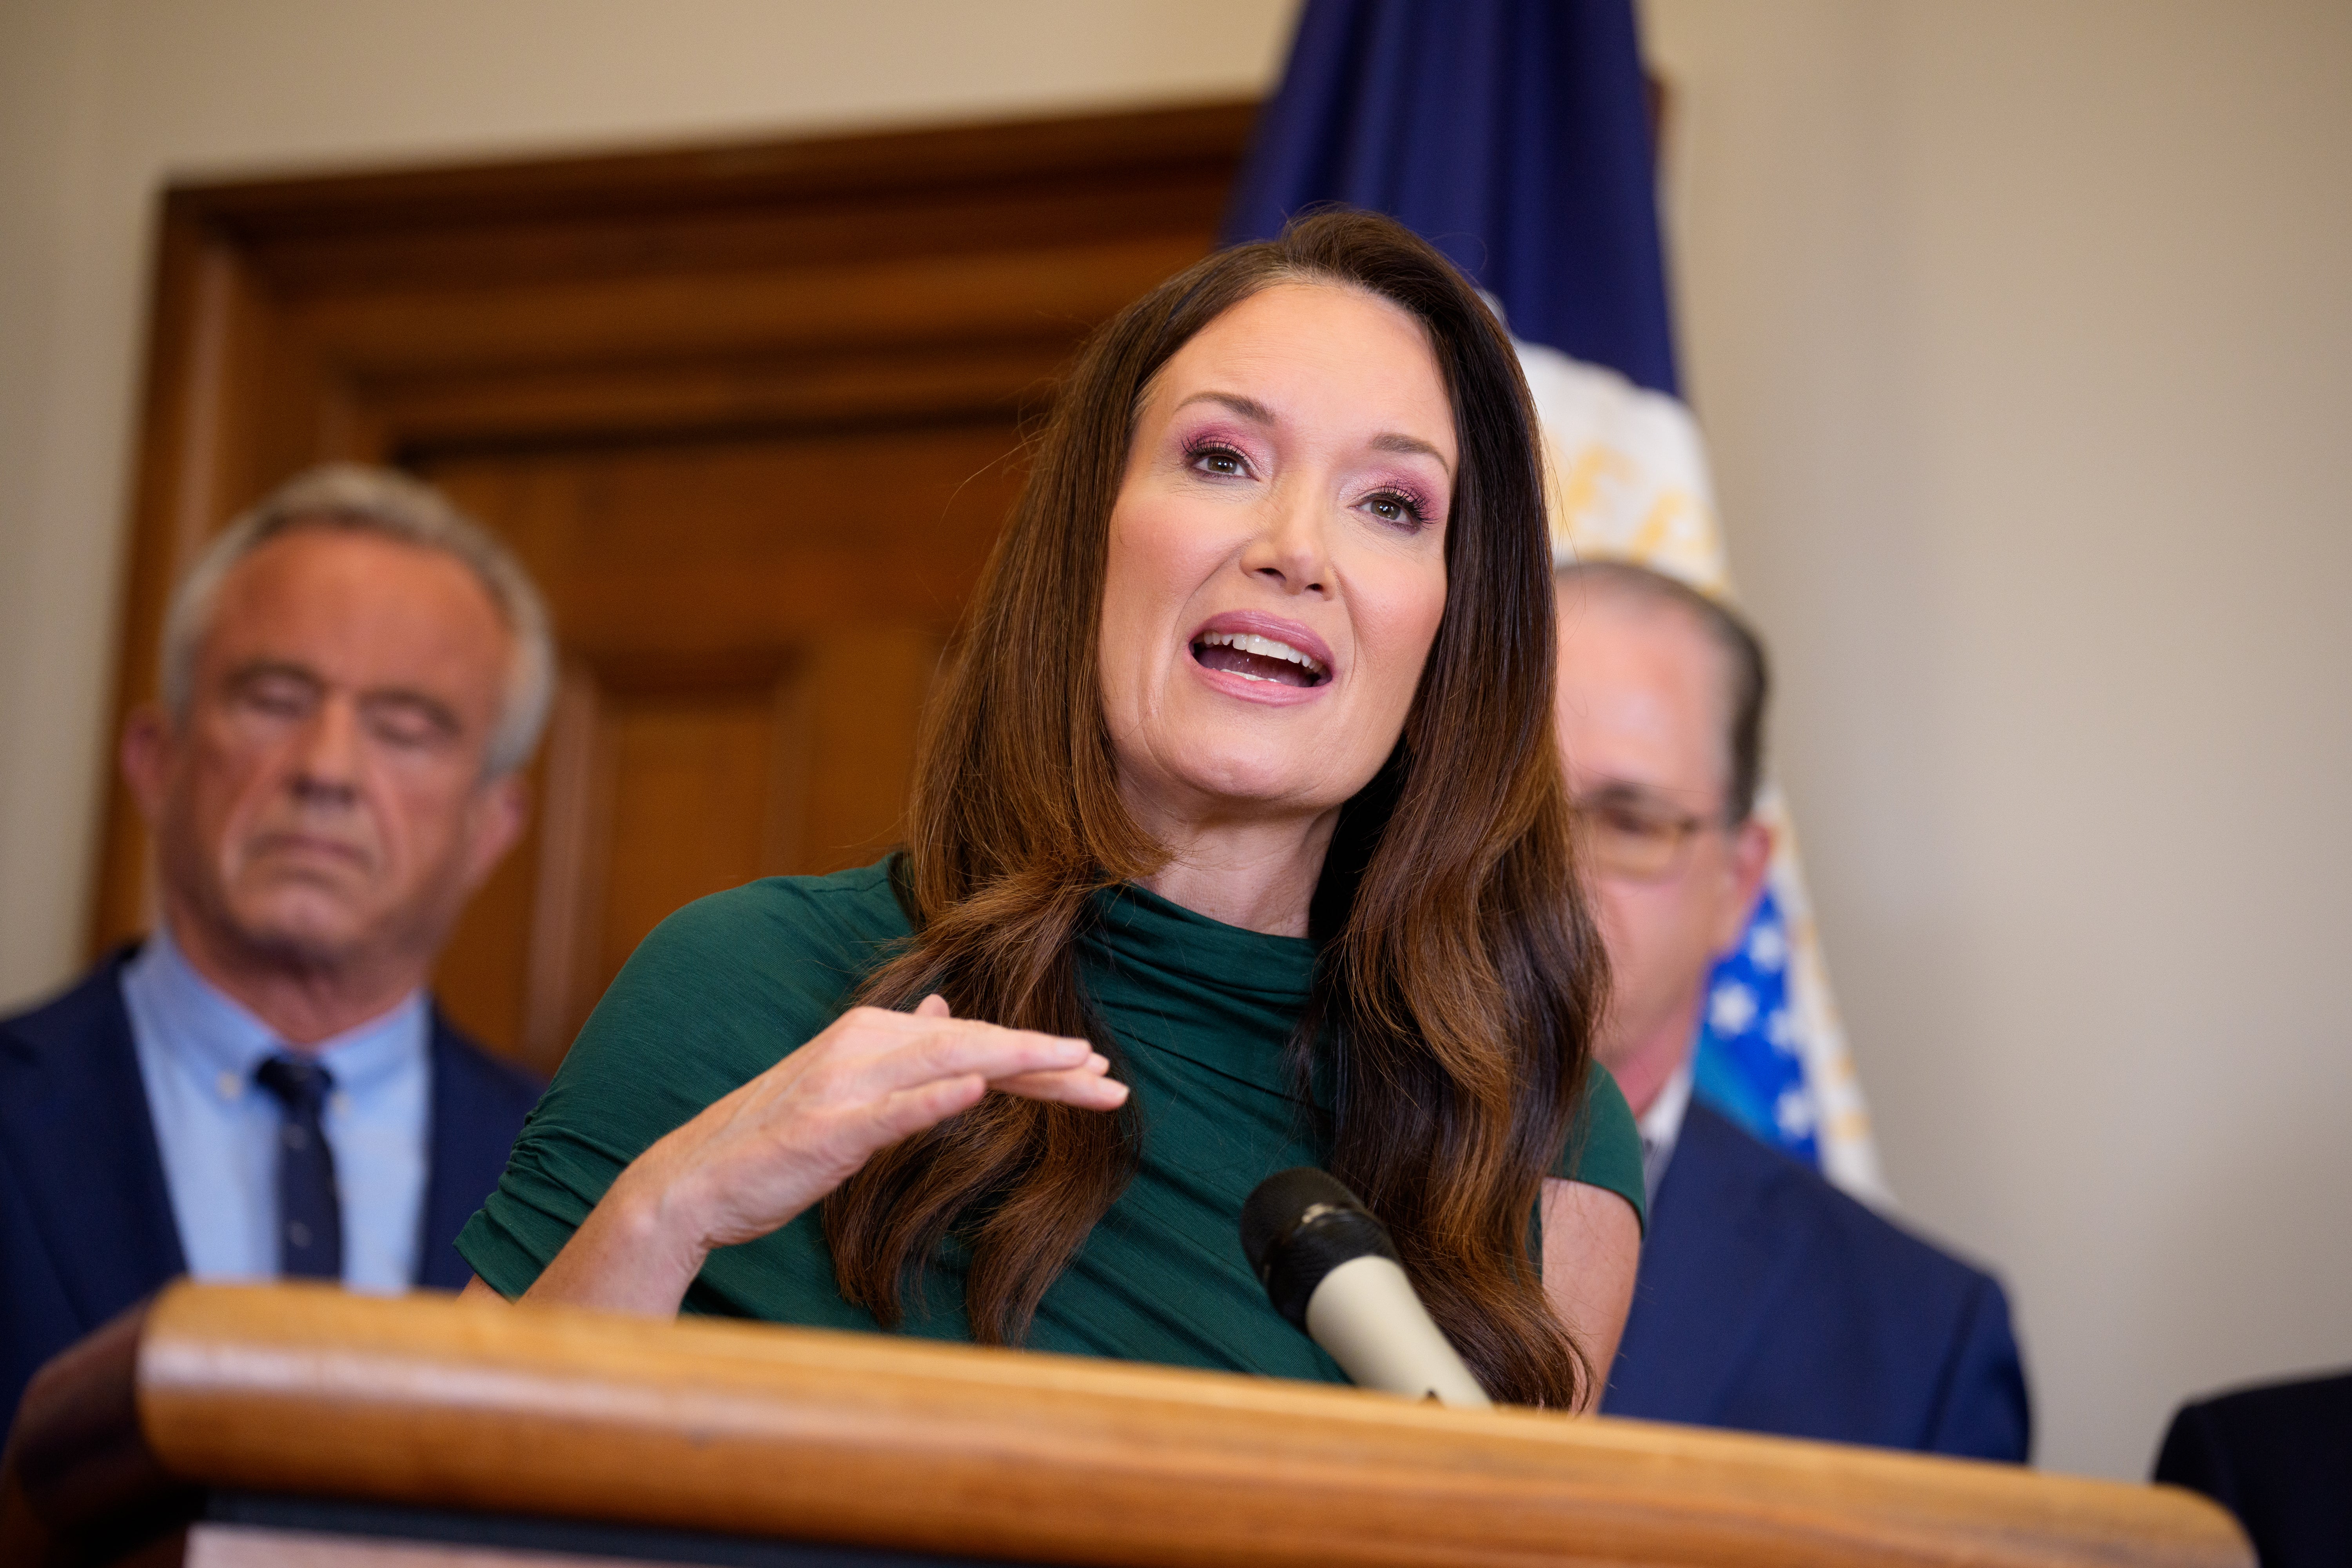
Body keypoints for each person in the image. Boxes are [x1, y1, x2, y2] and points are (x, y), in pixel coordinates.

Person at [456, 210, 1646, 1410]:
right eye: (1222, 460)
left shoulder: (1533, 1131)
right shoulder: (740, 989)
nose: (1296, 549)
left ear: (1455, 623)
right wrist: (671, 1212)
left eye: (1391, 505)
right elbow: (436, 1525)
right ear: (1091, 538)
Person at [0, 465, 549, 1445]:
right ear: (155, 760)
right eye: (274, 698)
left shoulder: (572, 1173)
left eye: (405, 727)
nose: (326, 769)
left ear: (491, 824)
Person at [1554, 559, 2031, 1457]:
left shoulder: (1919, 1338)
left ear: (1738, 881)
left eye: (1630, 820)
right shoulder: (1250, 1169)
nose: (1552, 869)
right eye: (1510, 800)